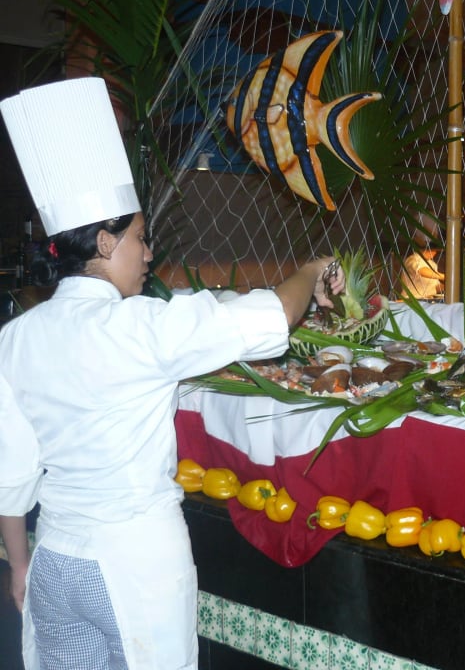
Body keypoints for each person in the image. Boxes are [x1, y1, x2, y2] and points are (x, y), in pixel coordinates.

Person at [0, 77, 345, 670]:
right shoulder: (139, 329)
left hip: (56, 560)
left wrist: (20, 564)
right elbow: (274, 315)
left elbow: (10, 469)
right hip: (133, 565)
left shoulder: (17, 336)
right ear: (105, 243)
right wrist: (313, 267)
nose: (149, 253)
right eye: (140, 238)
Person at [401, 232, 444, 299]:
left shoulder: (432, 264)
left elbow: (434, 286)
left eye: (435, 251)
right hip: (412, 300)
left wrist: (449, 286)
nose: (434, 253)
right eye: (432, 250)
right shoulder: (413, 259)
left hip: (429, 299)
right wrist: (444, 276)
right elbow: (422, 271)